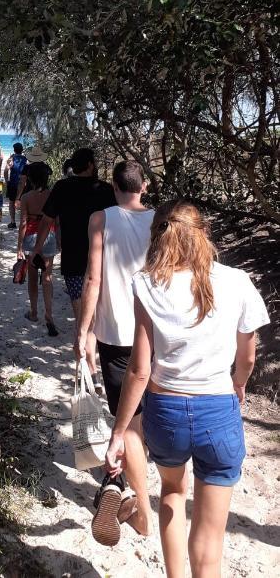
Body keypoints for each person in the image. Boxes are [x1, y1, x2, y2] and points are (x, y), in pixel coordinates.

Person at [106, 201, 269, 578]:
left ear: (158, 237)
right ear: (204, 235)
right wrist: (239, 386)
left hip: (167, 412)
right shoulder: (237, 281)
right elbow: (246, 357)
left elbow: (139, 369)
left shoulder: (147, 283)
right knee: (211, 538)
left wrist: (119, 432)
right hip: (219, 410)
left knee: (173, 495)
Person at [76, 160, 154, 546]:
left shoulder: (101, 219)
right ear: (146, 185)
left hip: (118, 332)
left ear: (113, 185)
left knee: (131, 423)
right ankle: (118, 479)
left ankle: (142, 513)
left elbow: (94, 277)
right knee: (145, 416)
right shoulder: (162, 222)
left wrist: (84, 329)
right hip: (159, 332)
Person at [33, 147, 115, 385]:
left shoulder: (62, 187)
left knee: (83, 319)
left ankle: (88, 371)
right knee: (98, 319)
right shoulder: (106, 191)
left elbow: (47, 220)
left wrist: (37, 248)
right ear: (90, 165)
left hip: (74, 263)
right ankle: (93, 372)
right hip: (104, 264)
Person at [17, 161, 59, 337]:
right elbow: (57, 222)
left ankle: (34, 313)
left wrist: (19, 246)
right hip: (49, 237)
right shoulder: (53, 196)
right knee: (48, 278)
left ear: (31, 179)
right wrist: (60, 241)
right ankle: (49, 315)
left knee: (33, 279)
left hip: (31, 239)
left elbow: (23, 224)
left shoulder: (26, 198)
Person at [4, 142, 28, 229]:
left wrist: (7, 181)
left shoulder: (11, 159)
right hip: (24, 184)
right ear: (22, 150)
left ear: (14, 150)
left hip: (13, 184)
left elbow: (6, 171)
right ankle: (23, 223)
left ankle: (13, 222)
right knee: (24, 203)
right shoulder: (26, 160)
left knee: (11, 203)